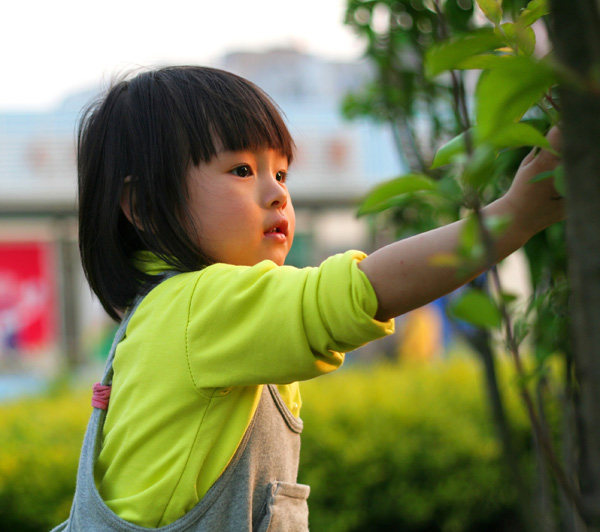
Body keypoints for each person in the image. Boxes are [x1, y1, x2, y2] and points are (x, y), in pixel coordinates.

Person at [52, 66, 564, 531]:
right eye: (241, 171)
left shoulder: (171, 313)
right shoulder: (198, 307)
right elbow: (358, 292)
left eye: (281, 173)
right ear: (141, 204)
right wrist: (512, 217)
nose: (276, 194)